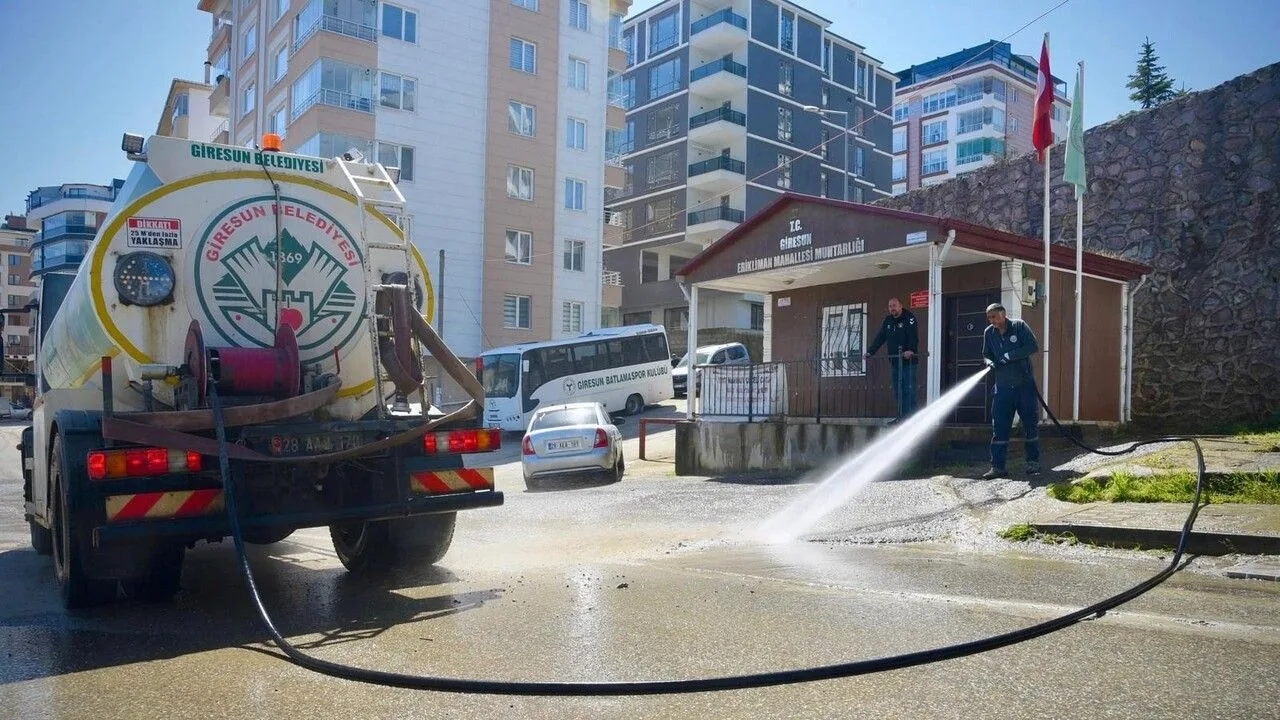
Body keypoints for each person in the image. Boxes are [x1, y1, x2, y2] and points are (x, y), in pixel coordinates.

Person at [980, 303, 1041, 479]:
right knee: (999, 428)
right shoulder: (988, 333)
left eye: (994, 317)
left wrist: (1010, 355)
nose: (992, 321)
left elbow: (1032, 346)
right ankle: (998, 467)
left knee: (1030, 424)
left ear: (1003, 314)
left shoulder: (1019, 326)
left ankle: (1032, 462)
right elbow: (986, 354)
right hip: (1003, 388)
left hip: (1024, 386)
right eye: (989, 318)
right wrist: (989, 362)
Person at [864, 297, 919, 422]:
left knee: (909, 391)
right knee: (898, 392)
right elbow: (880, 337)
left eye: (894, 305)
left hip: (908, 363)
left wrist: (911, 350)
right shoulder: (888, 321)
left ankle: (913, 420)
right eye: (890, 306)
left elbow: (913, 336)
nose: (892, 308)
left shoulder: (909, 318)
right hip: (895, 363)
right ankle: (901, 418)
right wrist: (870, 352)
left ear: (901, 306)